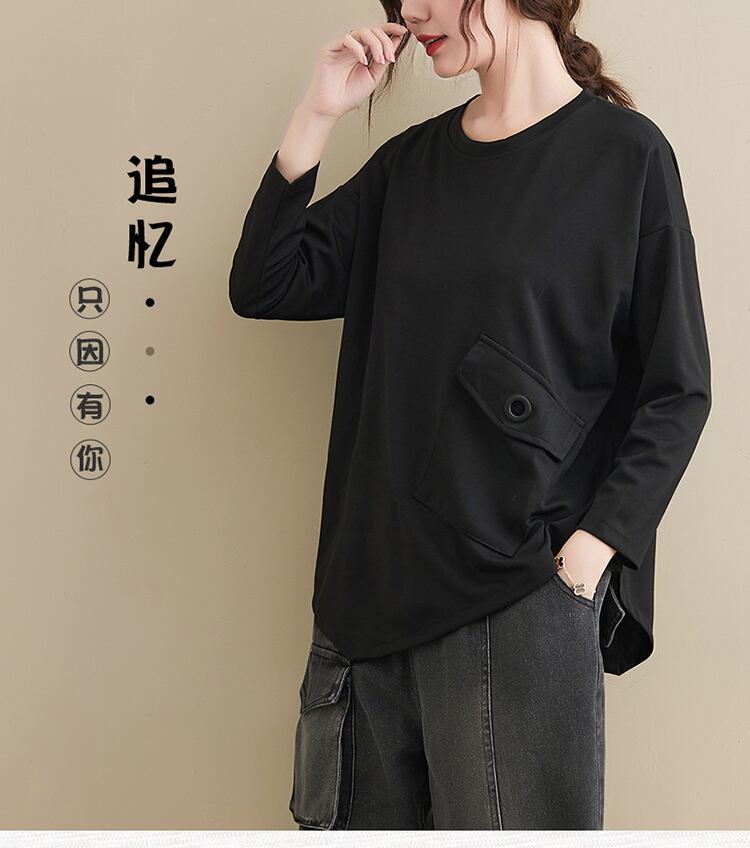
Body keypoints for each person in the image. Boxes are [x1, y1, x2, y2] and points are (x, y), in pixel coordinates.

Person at [228, 0, 712, 831]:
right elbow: (266, 283)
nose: (409, 12)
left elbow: (678, 388)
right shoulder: (410, 166)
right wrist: (319, 111)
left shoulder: (624, 157)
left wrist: (591, 554)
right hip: (363, 604)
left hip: (518, 603)